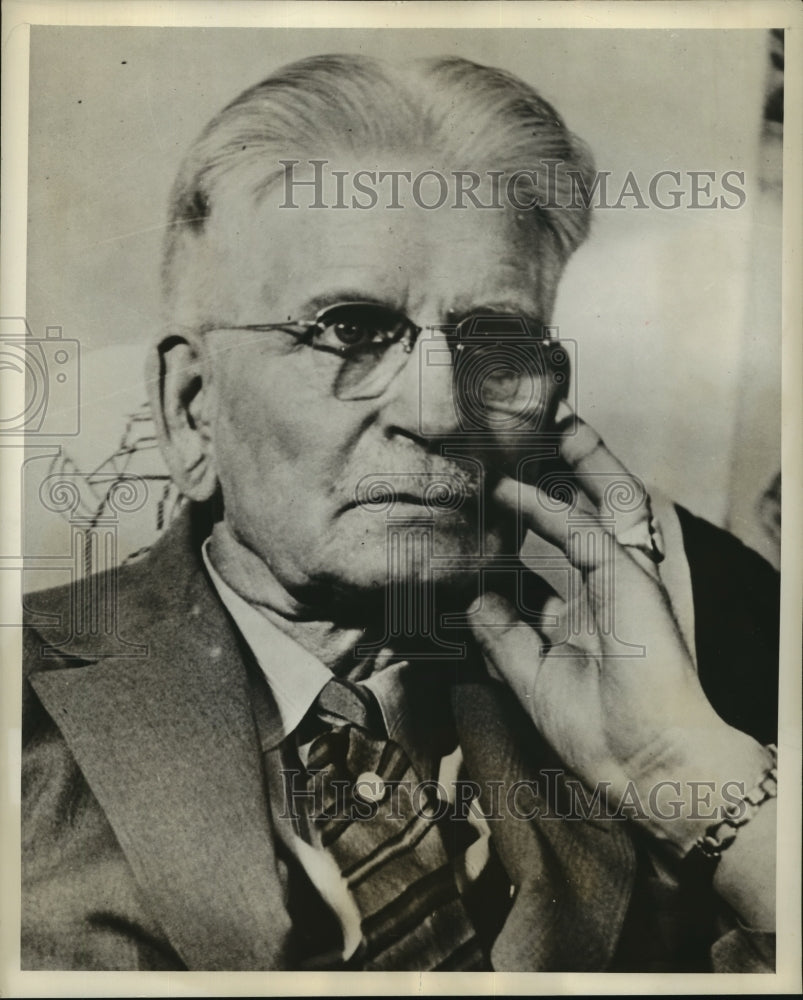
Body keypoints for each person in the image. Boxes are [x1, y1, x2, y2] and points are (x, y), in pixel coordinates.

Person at [22, 54, 779, 972]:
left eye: (495, 341)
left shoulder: (648, 689)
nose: (439, 410)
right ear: (192, 408)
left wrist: (677, 774)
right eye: (350, 328)